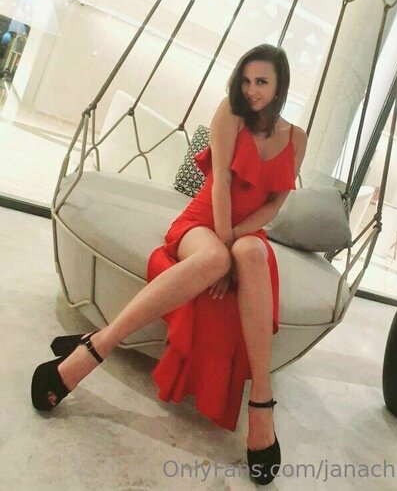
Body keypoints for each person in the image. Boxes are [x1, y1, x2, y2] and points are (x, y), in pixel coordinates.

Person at [31, 43, 308, 484]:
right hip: (203, 221)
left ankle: (262, 400)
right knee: (215, 258)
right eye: (246, 80)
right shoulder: (230, 113)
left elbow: (274, 205)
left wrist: (237, 243)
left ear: (280, 87)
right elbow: (219, 187)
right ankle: (96, 350)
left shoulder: (296, 138)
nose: (251, 90)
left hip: (246, 232)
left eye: (262, 82)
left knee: (253, 254)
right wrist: (225, 248)